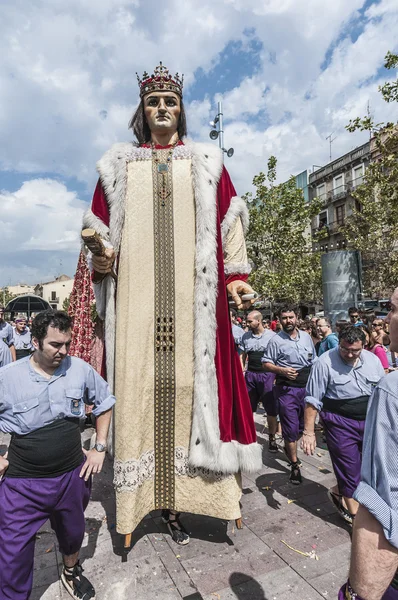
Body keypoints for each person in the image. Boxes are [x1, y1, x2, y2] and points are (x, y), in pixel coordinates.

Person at [75, 62, 261, 545]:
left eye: (170, 101)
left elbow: (229, 223)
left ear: (181, 110)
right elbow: (96, 233)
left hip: (193, 308)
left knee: (192, 395)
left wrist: (237, 276)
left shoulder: (205, 162)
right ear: (143, 111)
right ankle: (138, 509)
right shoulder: (118, 167)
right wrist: (101, 256)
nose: (162, 108)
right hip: (136, 307)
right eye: (153, 102)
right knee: (137, 394)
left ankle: (191, 503)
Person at [0, 310, 115, 600]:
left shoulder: (79, 369)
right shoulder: (7, 378)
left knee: (72, 533)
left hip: (72, 478)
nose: (63, 351)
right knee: (11, 554)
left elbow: (104, 403)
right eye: (55, 345)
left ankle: (71, 571)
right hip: (22, 485)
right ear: (35, 342)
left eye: (67, 343)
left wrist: (99, 447)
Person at [339, 288, 398, 600]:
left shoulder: (390, 389)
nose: (387, 319)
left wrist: (357, 594)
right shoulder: (325, 362)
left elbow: (385, 503)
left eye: (392, 309)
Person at [302, 325, 384, 525]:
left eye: (354, 350)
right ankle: (357, 522)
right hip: (339, 423)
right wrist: (309, 432)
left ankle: (339, 493)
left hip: (371, 421)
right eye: (344, 349)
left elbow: (382, 392)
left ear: (363, 346)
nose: (348, 354)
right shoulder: (324, 363)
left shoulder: (373, 360)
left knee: (374, 468)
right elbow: (313, 400)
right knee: (349, 469)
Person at [262, 305, 315, 484]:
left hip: (306, 389)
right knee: (290, 429)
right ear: (279, 320)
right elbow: (266, 363)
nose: (288, 321)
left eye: (291, 317)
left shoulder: (306, 337)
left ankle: (289, 445)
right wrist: (282, 370)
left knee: (302, 427)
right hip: (286, 390)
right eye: (284, 318)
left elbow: (313, 361)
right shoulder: (276, 341)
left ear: (297, 317)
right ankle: (294, 465)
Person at [240, 311, 278, 452]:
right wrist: (241, 371)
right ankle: (248, 436)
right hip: (251, 375)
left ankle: (272, 438)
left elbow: (277, 357)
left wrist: (276, 376)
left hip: (267, 375)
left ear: (258, 321)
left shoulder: (272, 336)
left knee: (271, 409)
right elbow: (243, 355)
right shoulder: (246, 336)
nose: (247, 323)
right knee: (248, 408)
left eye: (250, 321)